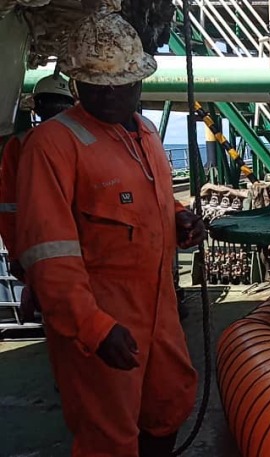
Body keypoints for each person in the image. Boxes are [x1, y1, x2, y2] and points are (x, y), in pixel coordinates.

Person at [14, 12, 204, 457]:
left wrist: (179, 220)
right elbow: (49, 253)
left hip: (159, 313)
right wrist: (94, 328)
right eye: (101, 87)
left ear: (140, 81)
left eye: (123, 83)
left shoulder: (146, 135)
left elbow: (149, 203)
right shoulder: (53, 146)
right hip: (105, 321)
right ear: (78, 84)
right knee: (110, 436)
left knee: (170, 405)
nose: (114, 95)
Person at [0, 74, 75, 320]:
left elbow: (9, 206)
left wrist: (15, 254)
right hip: (70, 244)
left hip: (39, 244)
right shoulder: (84, 141)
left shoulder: (20, 144)